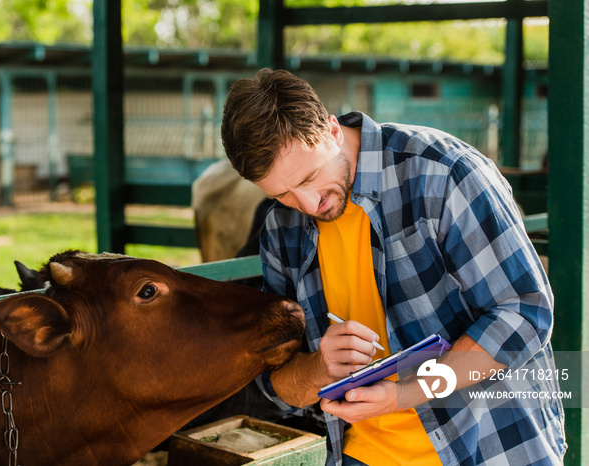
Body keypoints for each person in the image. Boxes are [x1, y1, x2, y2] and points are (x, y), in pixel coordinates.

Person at [221, 68, 566, 466]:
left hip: (490, 449)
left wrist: (404, 394)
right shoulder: (281, 229)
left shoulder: (443, 173)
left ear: (332, 130)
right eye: (283, 194)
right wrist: (319, 367)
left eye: (312, 177)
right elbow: (278, 385)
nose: (308, 204)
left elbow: (525, 314)